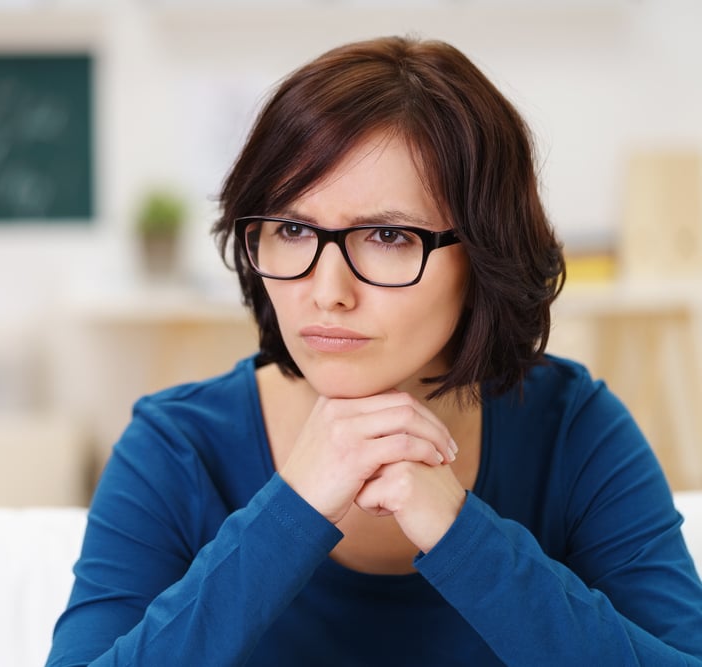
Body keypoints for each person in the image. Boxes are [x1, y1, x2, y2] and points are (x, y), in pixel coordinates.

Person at [47, 36, 702, 666]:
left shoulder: (573, 430)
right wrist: (291, 509)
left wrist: (461, 535)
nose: (326, 291)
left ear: (484, 255)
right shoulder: (176, 447)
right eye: (292, 228)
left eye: (388, 235)